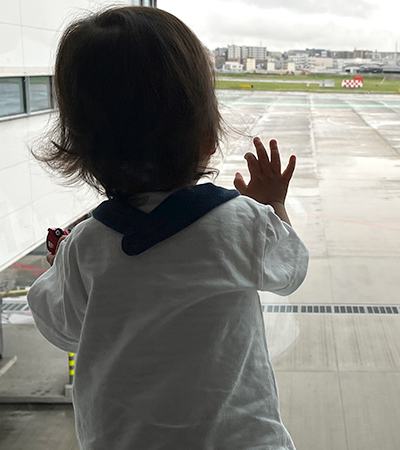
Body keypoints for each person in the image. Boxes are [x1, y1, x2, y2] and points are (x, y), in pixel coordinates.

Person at [27, 7, 308, 450]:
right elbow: (291, 269)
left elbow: (60, 327)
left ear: (80, 149)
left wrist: (58, 265)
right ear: (207, 136)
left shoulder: (86, 247)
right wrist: (271, 205)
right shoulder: (242, 224)